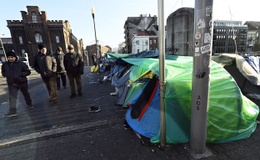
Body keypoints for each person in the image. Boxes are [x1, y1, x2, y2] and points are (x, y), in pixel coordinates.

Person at [1, 51, 33, 118]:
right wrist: (6, 74)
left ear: (15, 57)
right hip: (12, 83)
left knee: (26, 94)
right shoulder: (5, 64)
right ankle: (13, 111)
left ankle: (29, 104)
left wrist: (22, 74)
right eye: (9, 57)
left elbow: (28, 72)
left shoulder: (21, 64)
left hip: (22, 82)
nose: (10, 59)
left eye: (12, 57)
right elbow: (3, 72)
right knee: (12, 97)